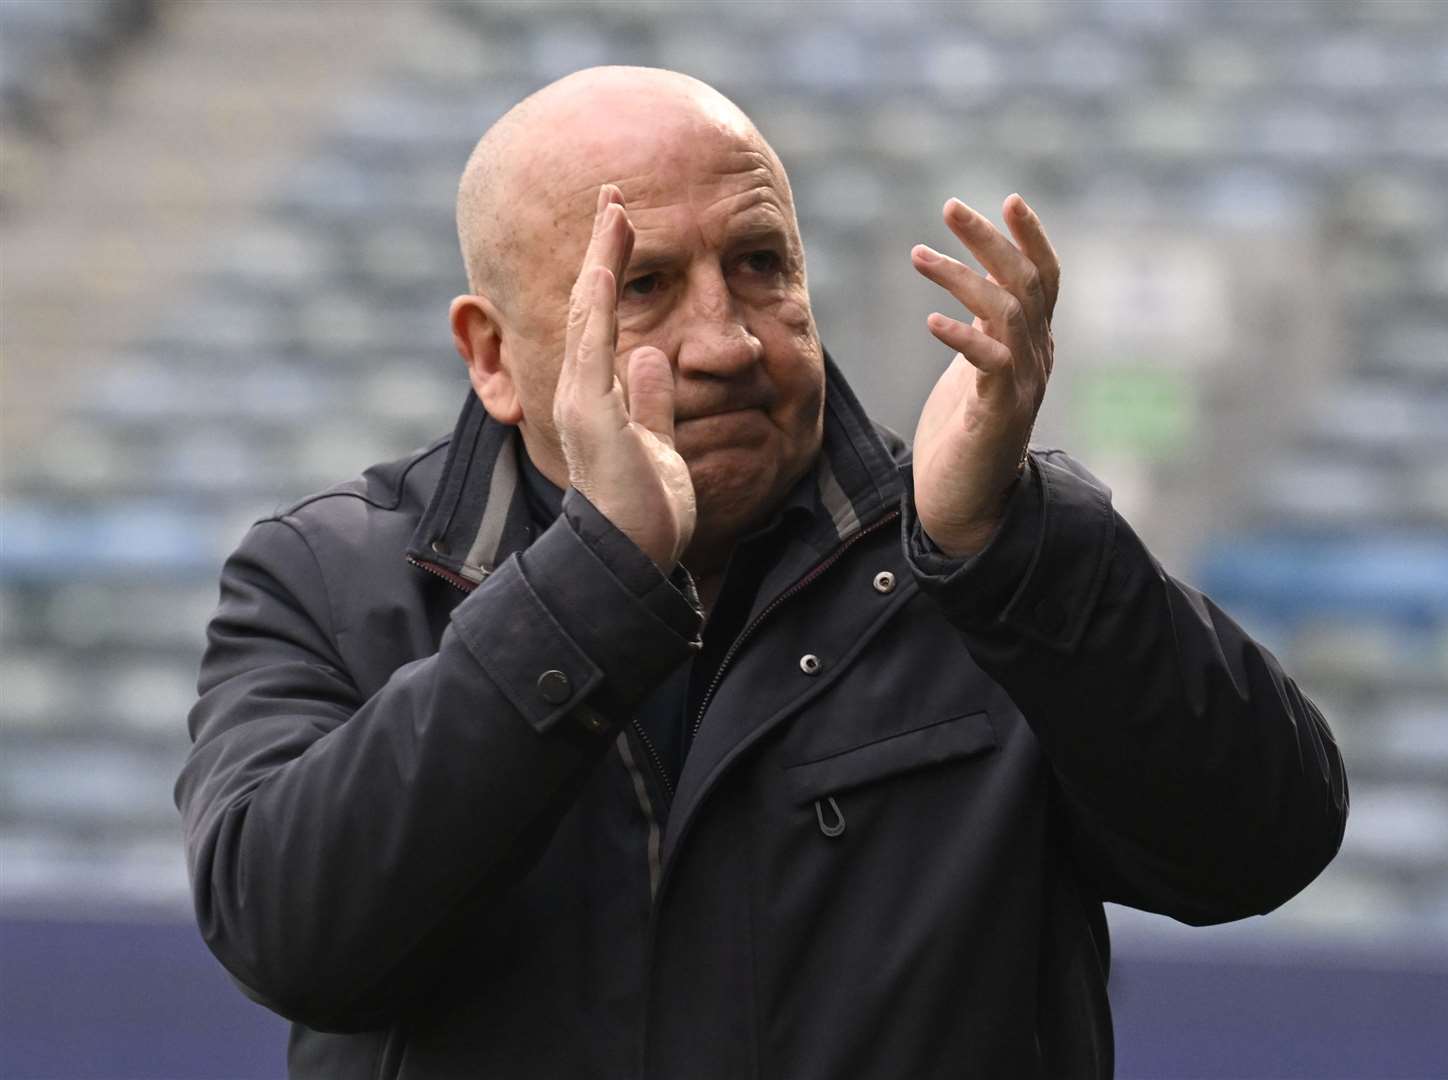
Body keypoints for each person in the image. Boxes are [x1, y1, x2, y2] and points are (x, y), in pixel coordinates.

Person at [176, 66, 1347, 1079]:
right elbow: (293, 934)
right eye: (641, 286)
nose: (727, 339)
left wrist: (1009, 545)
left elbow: (1259, 843)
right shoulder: (328, 580)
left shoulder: (982, 558)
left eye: (759, 264)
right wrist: (594, 580)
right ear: (493, 356)